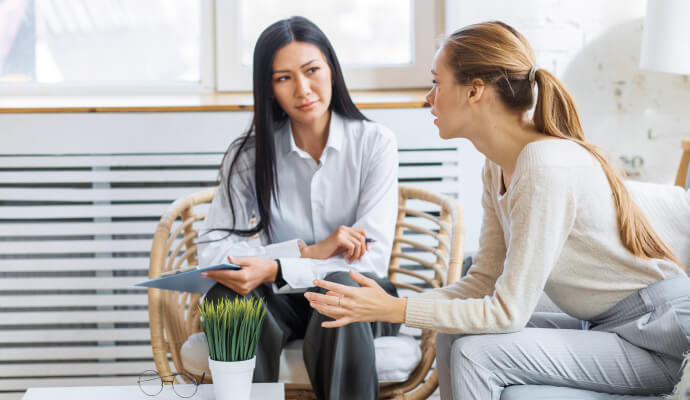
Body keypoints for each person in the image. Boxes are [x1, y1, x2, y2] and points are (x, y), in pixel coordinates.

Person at [305, 21, 690, 399]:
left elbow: (508, 313)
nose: (428, 98)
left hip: (661, 338)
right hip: (607, 326)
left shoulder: (544, 164)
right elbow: (484, 282)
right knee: (456, 331)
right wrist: (392, 306)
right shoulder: (496, 165)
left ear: (475, 91)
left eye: (437, 83)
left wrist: (396, 309)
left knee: (478, 354)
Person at [196, 16, 400, 400]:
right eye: (284, 78)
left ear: (332, 72)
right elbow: (210, 251)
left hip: (360, 298)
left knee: (339, 291)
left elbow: (370, 265)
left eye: (312, 71)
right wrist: (306, 252)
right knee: (227, 298)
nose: (303, 89)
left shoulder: (375, 143)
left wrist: (277, 265)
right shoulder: (249, 154)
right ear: (269, 88)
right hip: (283, 300)